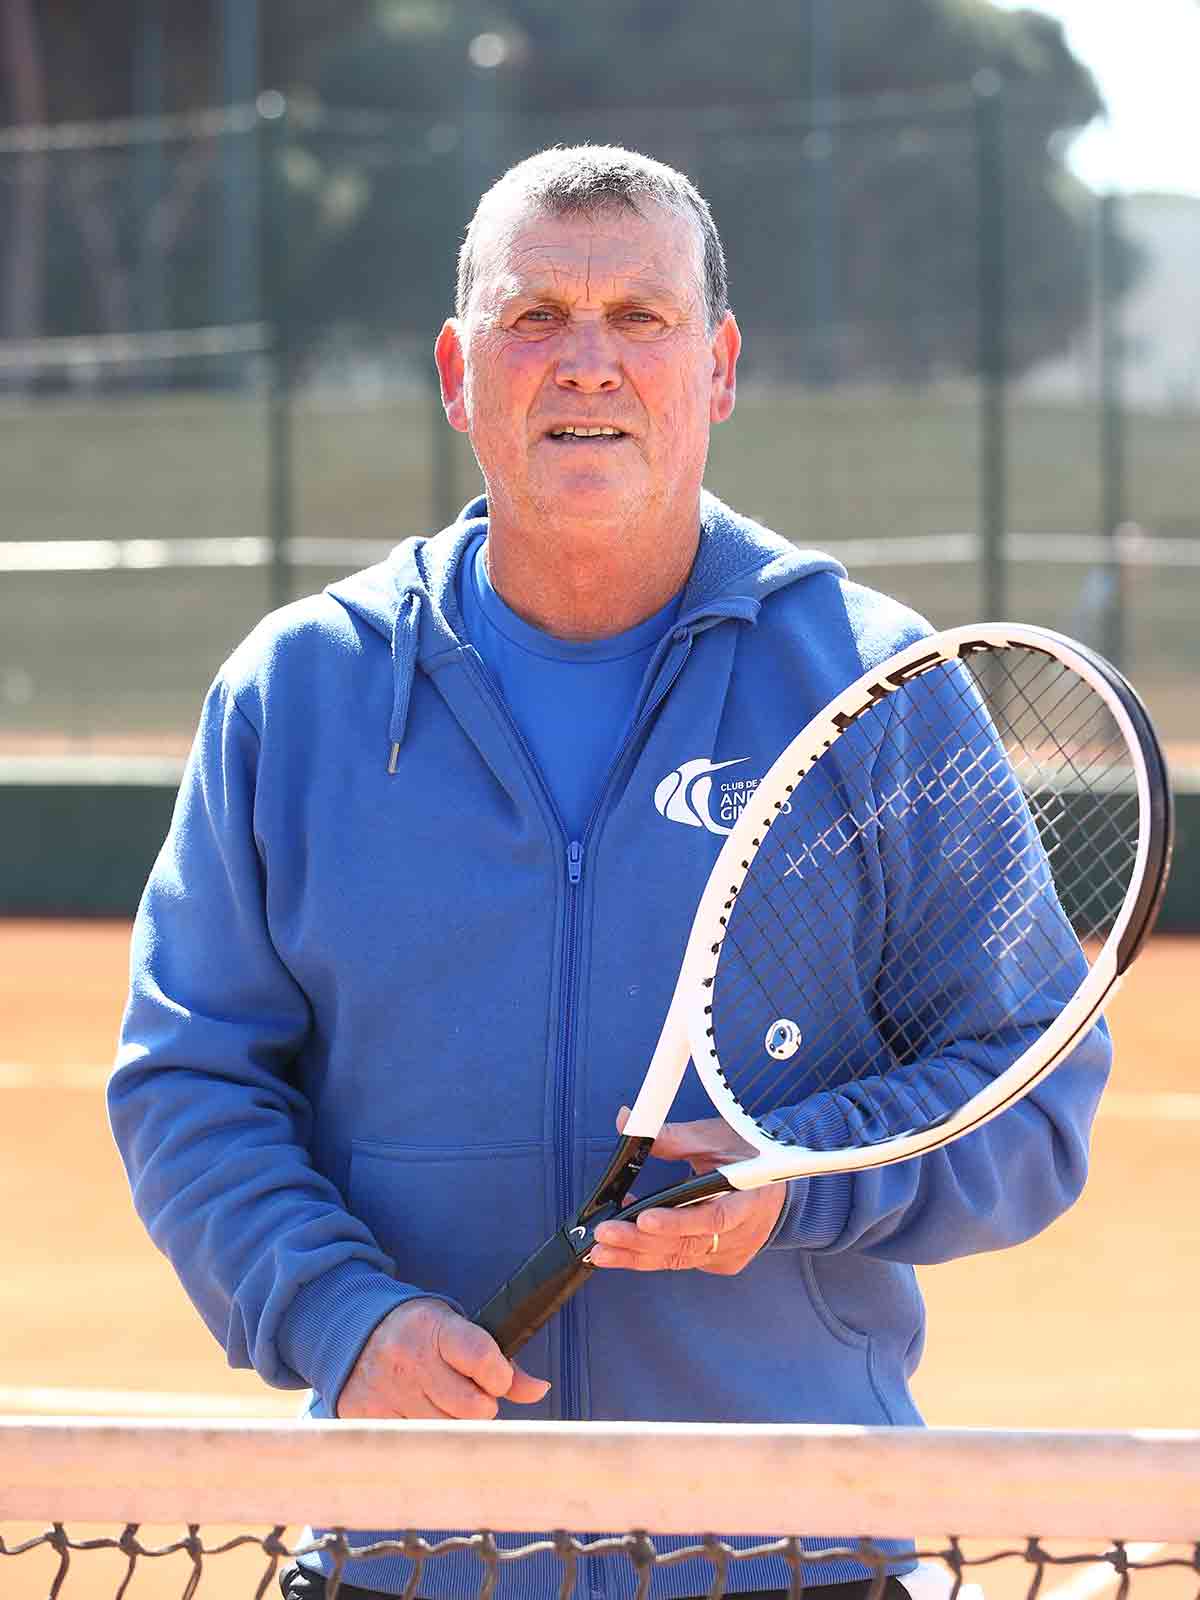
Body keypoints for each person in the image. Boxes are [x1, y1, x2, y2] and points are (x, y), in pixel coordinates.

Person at [109, 146, 1110, 1600]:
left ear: (716, 367)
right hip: (408, 1553)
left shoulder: (879, 685)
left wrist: (801, 1179)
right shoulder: (299, 691)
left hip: (791, 1550)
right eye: (535, 320)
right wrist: (339, 1316)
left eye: (640, 320)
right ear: (459, 372)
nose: (587, 364)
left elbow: (1037, 1084)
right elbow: (190, 1080)